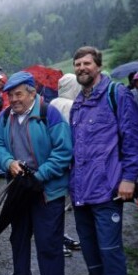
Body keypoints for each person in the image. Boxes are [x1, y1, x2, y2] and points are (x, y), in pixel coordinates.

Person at [69, 46, 138, 275]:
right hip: (81, 195)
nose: (82, 68)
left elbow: (136, 140)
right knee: (92, 259)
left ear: (98, 66)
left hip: (106, 193)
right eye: (78, 64)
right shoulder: (77, 105)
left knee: (110, 255)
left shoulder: (118, 95)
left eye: (87, 63)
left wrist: (128, 178)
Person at [0, 71, 72, 275]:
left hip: (47, 192)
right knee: (18, 240)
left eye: (18, 94)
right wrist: (9, 162)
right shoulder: (5, 116)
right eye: (10, 95)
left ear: (31, 92)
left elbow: (64, 151)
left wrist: (40, 176)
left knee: (48, 245)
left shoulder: (50, 114)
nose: (13, 100)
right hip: (21, 189)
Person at [49, 73, 82, 257]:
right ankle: (56, 239)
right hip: (67, 159)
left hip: (54, 159)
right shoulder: (71, 105)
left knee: (59, 202)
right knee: (60, 202)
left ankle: (60, 236)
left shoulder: (52, 103)